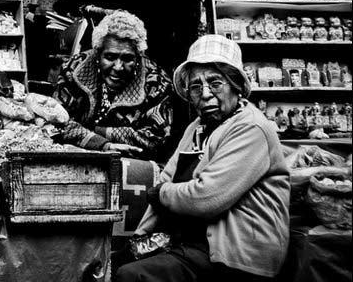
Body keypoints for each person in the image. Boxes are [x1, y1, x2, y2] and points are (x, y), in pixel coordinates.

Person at [115, 34, 290, 282]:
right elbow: (165, 179)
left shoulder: (252, 127)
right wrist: (138, 239)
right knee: (118, 261)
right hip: (192, 244)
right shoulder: (197, 127)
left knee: (133, 276)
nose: (205, 94)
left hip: (235, 254)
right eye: (196, 86)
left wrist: (163, 193)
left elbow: (207, 197)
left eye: (215, 83)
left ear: (236, 85)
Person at [54, 10, 173, 159]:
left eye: (128, 59)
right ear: (97, 54)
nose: (118, 67)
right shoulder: (74, 69)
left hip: (134, 162)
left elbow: (156, 139)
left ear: (138, 57)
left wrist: (93, 129)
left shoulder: (156, 82)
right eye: (110, 57)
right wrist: (103, 145)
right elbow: (57, 124)